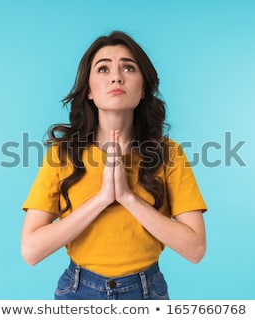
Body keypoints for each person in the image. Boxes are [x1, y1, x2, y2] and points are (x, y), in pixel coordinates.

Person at [21, 31, 207, 300]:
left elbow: (196, 249)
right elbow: (31, 251)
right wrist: (102, 199)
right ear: (88, 90)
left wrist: (128, 197)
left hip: (146, 292)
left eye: (128, 68)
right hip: (77, 292)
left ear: (143, 89)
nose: (116, 77)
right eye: (103, 68)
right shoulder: (62, 155)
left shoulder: (169, 154)